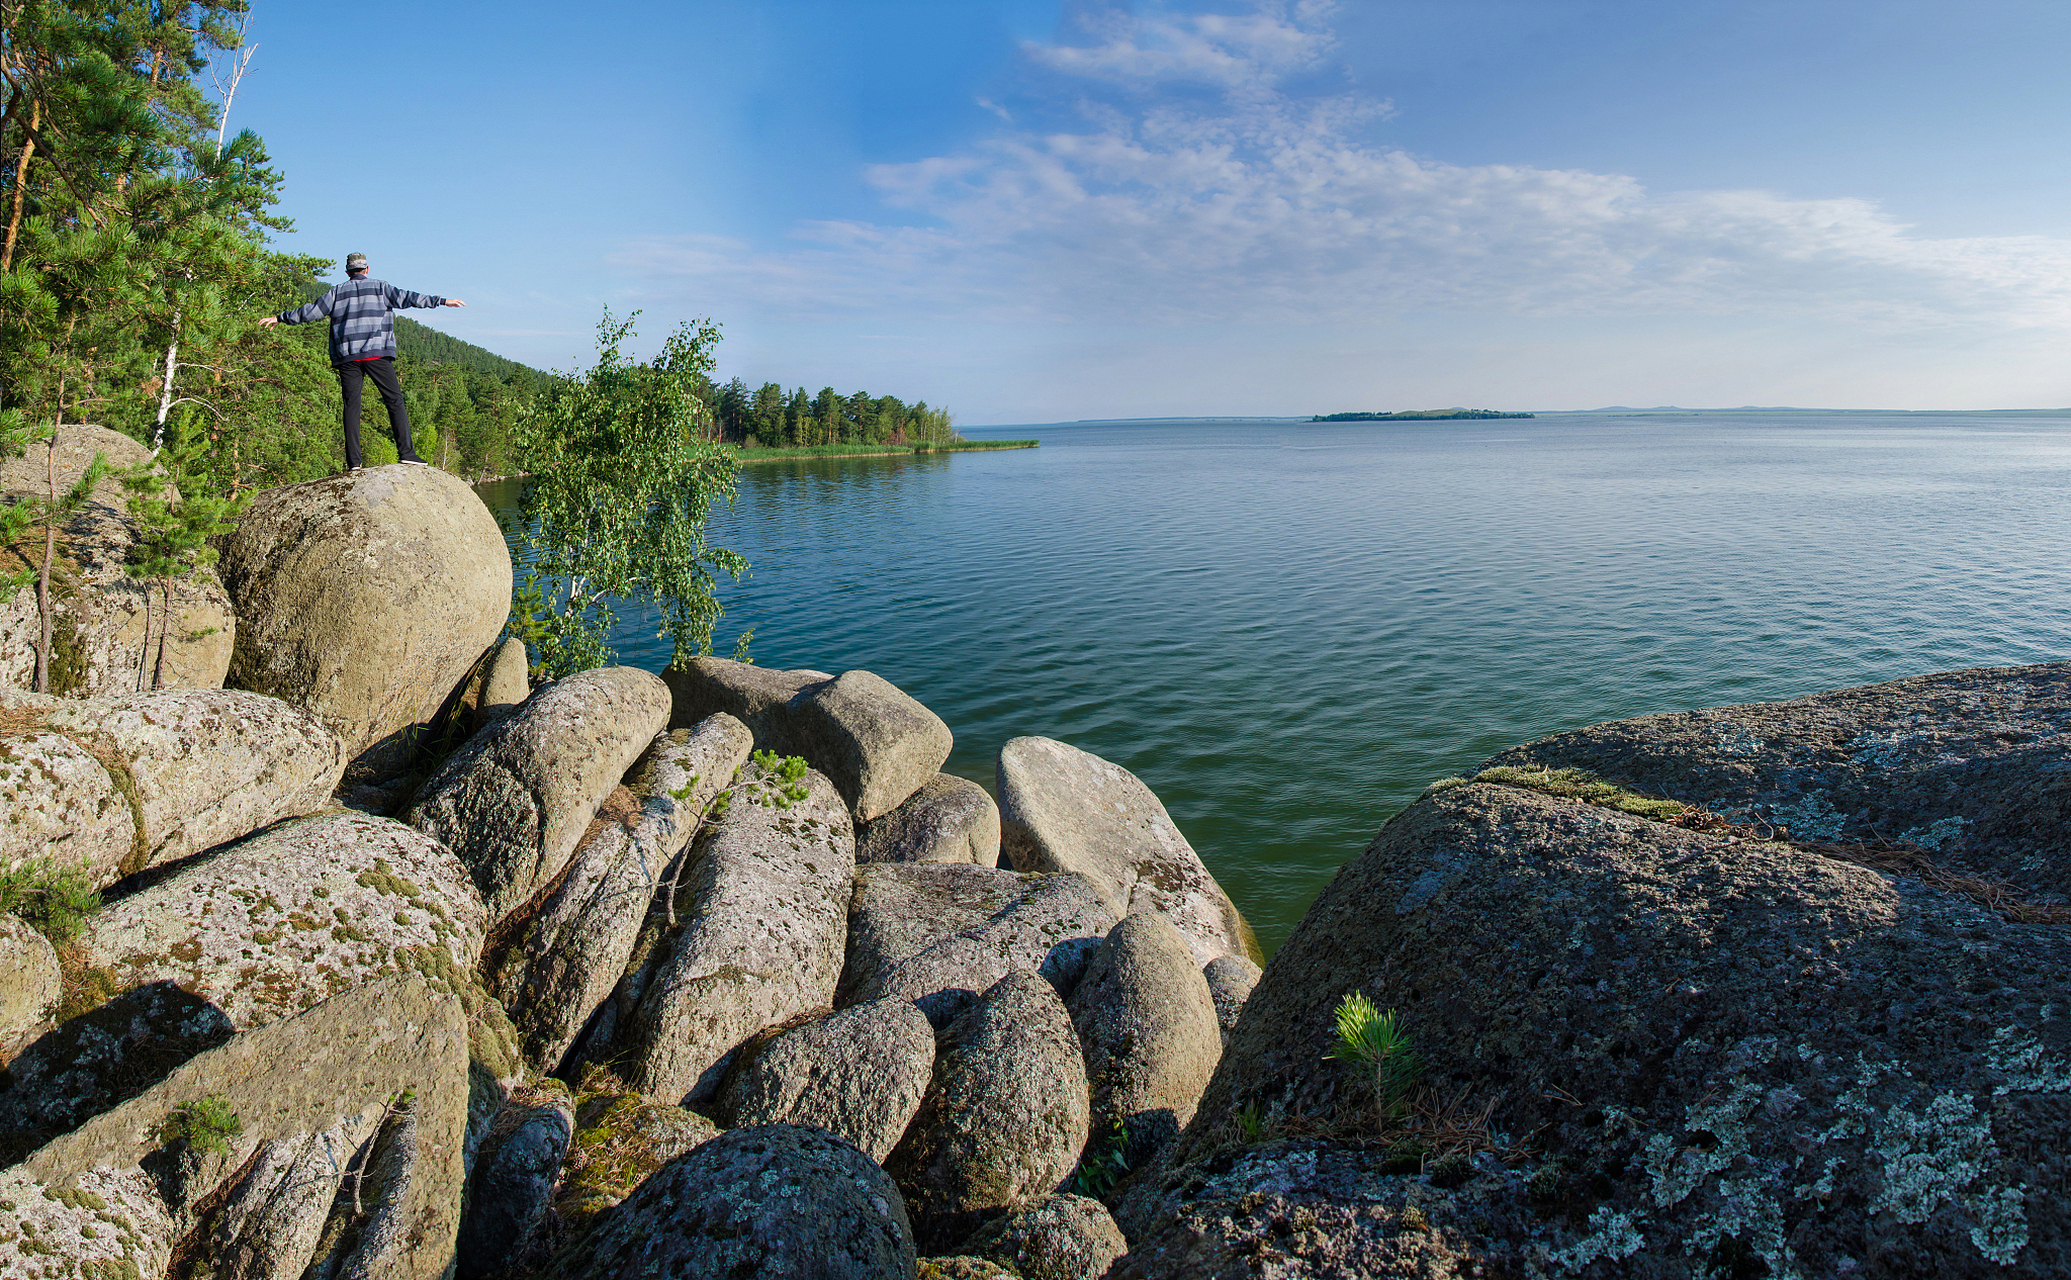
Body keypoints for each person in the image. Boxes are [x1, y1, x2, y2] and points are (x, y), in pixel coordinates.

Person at [258, 252, 467, 471]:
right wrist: (442, 301)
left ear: (347, 272)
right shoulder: (380, 287)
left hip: (347, 357)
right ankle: (407, 453)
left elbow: (312, 311)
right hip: (376, 353)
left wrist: (281, 318)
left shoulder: (337, 292)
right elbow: (410, 298)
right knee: (394, 401)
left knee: (352, 408)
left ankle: (354, 463)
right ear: (367, 270)